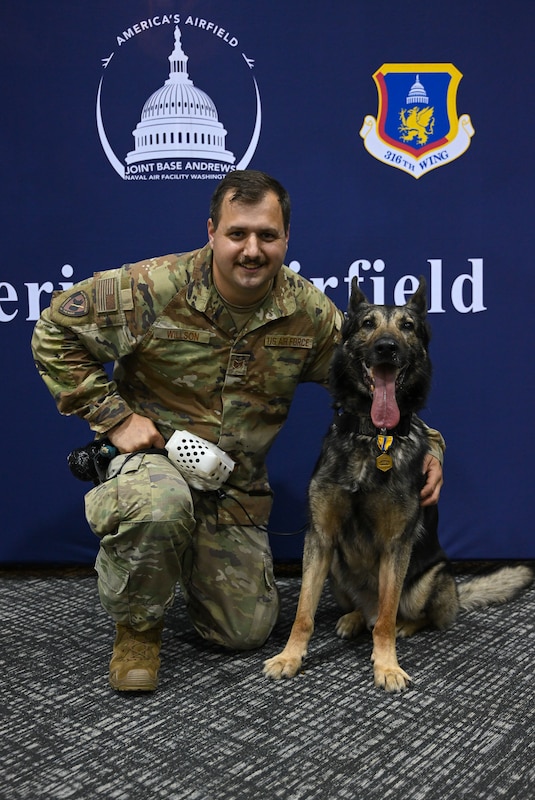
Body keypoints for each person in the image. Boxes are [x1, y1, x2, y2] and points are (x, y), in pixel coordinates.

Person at [31, 170, 445, 692]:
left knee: (245, 632)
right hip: (157, 463)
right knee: (158, 505)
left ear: (286, 239)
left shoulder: (310, 312)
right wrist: (116, 418)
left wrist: (428, 444)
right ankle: (138, 630)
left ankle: (185, 557)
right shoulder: (151, 287)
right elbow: (53, 331)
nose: (252, 249)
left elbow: (367, 381)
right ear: (211, 231)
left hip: (232, 487)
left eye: (267, 236)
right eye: (237, 234)